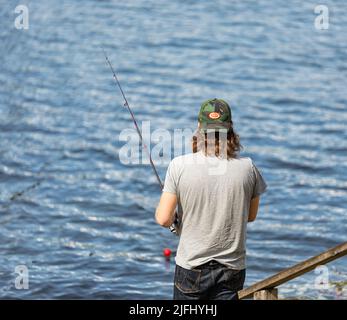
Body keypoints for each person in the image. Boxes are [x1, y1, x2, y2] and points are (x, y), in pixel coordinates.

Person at [155, 98, 267, 300]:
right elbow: (250, 216)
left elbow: (164, 219)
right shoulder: (248, 167)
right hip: (232, 269)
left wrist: (176, 221)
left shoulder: (179, 165)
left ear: (199, 127)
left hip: (191, 268)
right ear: (230, 129)